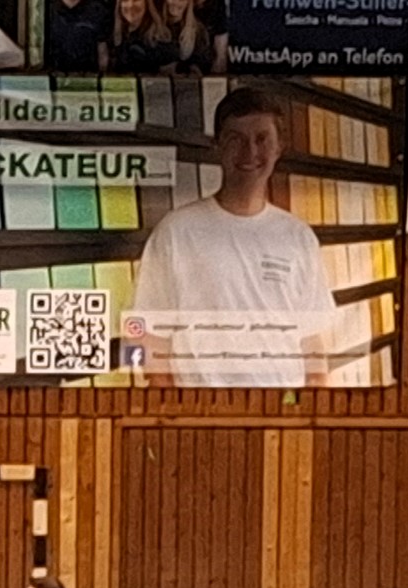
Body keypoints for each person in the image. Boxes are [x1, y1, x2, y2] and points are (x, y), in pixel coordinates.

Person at [129, 89, 333, 389]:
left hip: (283, 408)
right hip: (201, 410)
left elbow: (313, 341)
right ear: (217, 146)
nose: (249, 152)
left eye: (262, 139)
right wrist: (172, 408)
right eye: (235, 139)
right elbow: (146, 336)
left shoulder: (298, 237)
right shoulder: (176, 232)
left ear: (279, 148)